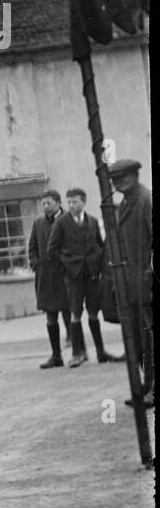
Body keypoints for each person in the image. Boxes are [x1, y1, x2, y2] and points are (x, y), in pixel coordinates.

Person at [48, 187, 119, 367]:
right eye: (69, 202)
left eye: (75, 201)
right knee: (75, 313)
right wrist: (67, 265)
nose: (71, 205)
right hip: (73, 276)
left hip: (92, 275)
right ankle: (78, 353)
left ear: (84, 201)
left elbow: (100, 246)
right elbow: (52, 250)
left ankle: (100, 351)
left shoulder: (93, 221)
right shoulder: (61, 223)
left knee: (94, 312)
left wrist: (98, 264)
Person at [108, 159, 153, 408]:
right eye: (115, 180)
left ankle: (152, 390)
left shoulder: (146, 200)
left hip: (145, 285)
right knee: (138, 341)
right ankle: (146, 388)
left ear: (136, 175)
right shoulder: (125, 203)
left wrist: (149, 275)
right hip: (131, 287)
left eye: (124, 177)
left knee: (150, 342)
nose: (119, 183)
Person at [28, 189, 73, 369]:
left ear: (58, 203)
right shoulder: (39, 223)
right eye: (43, 204)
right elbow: (32, 247)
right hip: (45, 276)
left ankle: (77, 350)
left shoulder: (68, 220)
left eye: (48, 203)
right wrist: (35, 263)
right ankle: (56, 355)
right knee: (50, 314)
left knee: (69, 310)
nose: (45, 207)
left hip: (65, 274)